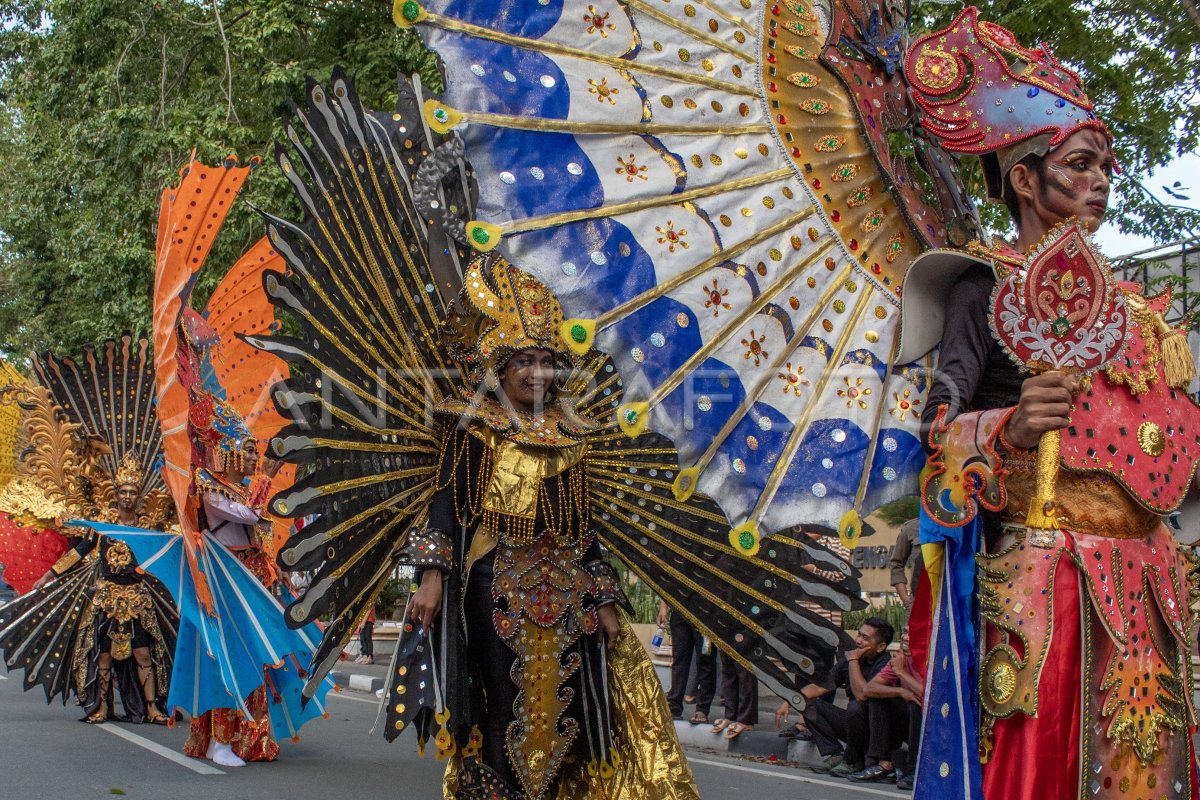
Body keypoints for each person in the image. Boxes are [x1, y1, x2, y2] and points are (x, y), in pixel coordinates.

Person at [902, 8, 1200, 799]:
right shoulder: (983, 283)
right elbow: (932, 430)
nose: (1099, 180)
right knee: (1044, 767)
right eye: (1078, 163)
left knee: (1146, 771)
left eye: (1106, 165)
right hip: (1045, 573)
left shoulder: (1140, 311)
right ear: (1025, 178)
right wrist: (1007, 425)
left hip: (1147, 580)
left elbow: (1171, 443)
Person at [400, 257, 698, 799]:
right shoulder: (475, 430)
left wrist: (605, 601)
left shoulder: (573, 437)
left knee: (566, 714)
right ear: (499, 366)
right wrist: (432, 577)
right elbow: (446, 505)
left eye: (546, 362)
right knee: (502, 709)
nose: (538, 374)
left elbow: (584, 528)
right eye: (525, 362)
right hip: (495, 583)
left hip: (567, 593)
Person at [28, 453, 174, 725]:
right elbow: (80, 551)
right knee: (104, 655)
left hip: (137, 597)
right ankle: (102, 707)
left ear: (138, 496)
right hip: (107, 597)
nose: (128, 497)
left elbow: (165, 557)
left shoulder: (146, 528)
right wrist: (49, 574)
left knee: (144, 653)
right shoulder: (103, 526)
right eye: (123, 492)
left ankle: (152, 707)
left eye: (132, 492)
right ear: (116, 495)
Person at [181, 406, 286, 768]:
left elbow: (259, 525)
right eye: (248, 449)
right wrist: (266, 480)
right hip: (225, 585)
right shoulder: (209, 486)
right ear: (227, 450)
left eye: (255, 451)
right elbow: (249, 514)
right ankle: (221, 740)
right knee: (228, 660)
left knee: (253, 659)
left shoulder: (239, 488)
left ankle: (244, 739)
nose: (255, 457)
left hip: (248, 581)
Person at [800, 617, 893, 777]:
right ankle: (835, 754)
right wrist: (792, 699)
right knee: (809, 704)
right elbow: (821, 686)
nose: (858, 641)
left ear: (881, 647)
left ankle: (853, 760)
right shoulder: (850, 659)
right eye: (859, 635)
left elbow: (862, 695)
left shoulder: (885, 663)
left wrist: (853, 661)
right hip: (854, 725)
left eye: (865, 638)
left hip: (877, 731)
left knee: (856, 706)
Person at [858, 631, 923, 788]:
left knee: (916, 703)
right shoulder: (900, 659)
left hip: (932, 722)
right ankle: (883, 764)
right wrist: (901, 691)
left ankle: (914, 770)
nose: (905, 637)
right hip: (907, 724)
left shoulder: (930, 660)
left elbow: (929, 696)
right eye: (905, 632)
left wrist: (901, 673)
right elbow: (868, 689)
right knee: (879, 698)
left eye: (912, 633)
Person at [659, 599, 717, 724]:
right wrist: (663, 607)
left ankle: (702, 708)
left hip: (706, 610)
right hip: (680, 608)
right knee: (679, 660)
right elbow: (670, 580)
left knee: (706, 660)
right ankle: (674, 706)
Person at [887, 518, 922, 609]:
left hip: (951, 600)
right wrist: (906, 600)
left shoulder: (957, 525)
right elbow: (896, 563)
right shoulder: (912, 527)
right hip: (919, 601)